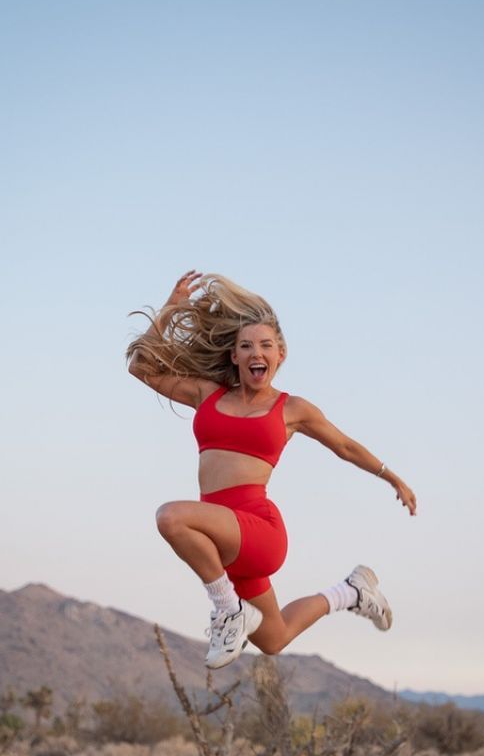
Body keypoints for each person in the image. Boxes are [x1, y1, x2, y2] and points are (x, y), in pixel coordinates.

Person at [126, 271, 417, 669]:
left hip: (257, 531)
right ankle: (351, 592)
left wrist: (391, 476)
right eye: (245, 346)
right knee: (274, 639)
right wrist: (171, 308)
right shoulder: (206, 394)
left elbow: (345, 446)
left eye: (265, 345)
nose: (255, 353)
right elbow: (141, 367)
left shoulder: (292, 409)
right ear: (234, 356)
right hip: (221, 539)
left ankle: (228, 610)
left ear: (280, 354)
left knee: (171, 518)